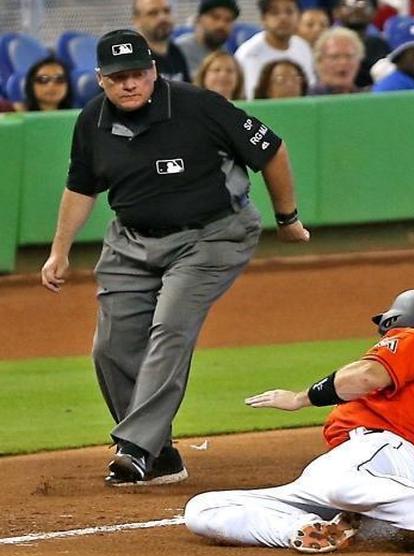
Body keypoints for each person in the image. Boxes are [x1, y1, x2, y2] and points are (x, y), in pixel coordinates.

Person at [40, 29, 311, 487]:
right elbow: (81, 186)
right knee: (112, 347)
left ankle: (135, 447)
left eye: (138, 74)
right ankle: (159, 454)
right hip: (130, 240)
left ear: (154, 71)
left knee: (170, 327)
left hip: (212, 236)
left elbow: (272, 149)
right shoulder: (91, 121)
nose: (130, 84)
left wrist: (288, 219)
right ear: (100, 80)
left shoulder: (197, 106)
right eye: (118, 76)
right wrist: (59, 251)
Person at [183, 289, 414, 556]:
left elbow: (365, 377)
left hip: (383, 452)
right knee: (204, 509)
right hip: (358, 464)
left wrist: (301, 398)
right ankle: (306, 530)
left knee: (335, 482)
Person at [235, 0, 317, 100]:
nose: (283, 18)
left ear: (299, 17)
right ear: (263, 18)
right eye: (275, 13)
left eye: (289, 12)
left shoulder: (303, 47)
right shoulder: (248, 53)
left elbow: (310, 89)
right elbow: (251, 98)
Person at [333, 0, 392, 88]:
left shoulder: (380, 44)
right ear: (336, 12)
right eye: (349, 4)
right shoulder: (329, 44)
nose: (356, 9)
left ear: (374, 12)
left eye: (363, 4)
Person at [175, 0, 241, 76]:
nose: (221, 24)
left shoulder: (226, 53)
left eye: (228, 20)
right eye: (215, 17)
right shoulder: (179, 50)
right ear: (199, 19)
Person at [133, 0, 191, 81]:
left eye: (167, 11)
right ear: (137, 20)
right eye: (153, 13)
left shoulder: (176, 52)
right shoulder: (134, 57)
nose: (162, 17)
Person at [310, 27, 366, 94]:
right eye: (335, 57)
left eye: (349, 56)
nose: (343, 62)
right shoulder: (306, 99)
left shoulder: (368, 99)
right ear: (319, 62)